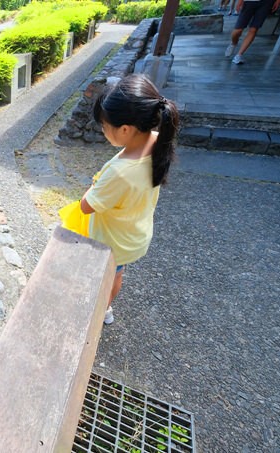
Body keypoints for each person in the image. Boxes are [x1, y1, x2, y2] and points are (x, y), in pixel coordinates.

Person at [79, 75, 179, 325]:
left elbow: (86, 206)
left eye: (104, 126)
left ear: (125, 129)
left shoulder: (120, 172)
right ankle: (107, 307)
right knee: (117, 273)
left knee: (107, 277)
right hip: (133, 231)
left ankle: (101, 310)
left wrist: (94, 185)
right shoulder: (157, 139)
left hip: (114, 241)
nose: (103, 132)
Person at [226, 0, 280, 64]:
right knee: (238, 29)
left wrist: (278, 0)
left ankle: (239, 55)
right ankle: (234, 43)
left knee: (254, 29)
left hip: (266, 3)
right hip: (249, 1)